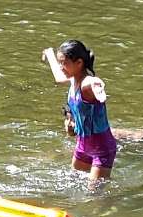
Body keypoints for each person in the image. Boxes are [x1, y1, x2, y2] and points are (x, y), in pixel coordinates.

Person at [43, 40, 118, 186]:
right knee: (73, 183)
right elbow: (59, 78)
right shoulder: (73, 80)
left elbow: (94, 82)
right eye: (60, 62)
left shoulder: (87, 84)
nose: (61, 67)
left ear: (79, 63)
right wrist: (49, 54)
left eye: (64, 63)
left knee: (94, 194)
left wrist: (98, 86)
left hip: (101, 149)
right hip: (82, 146)